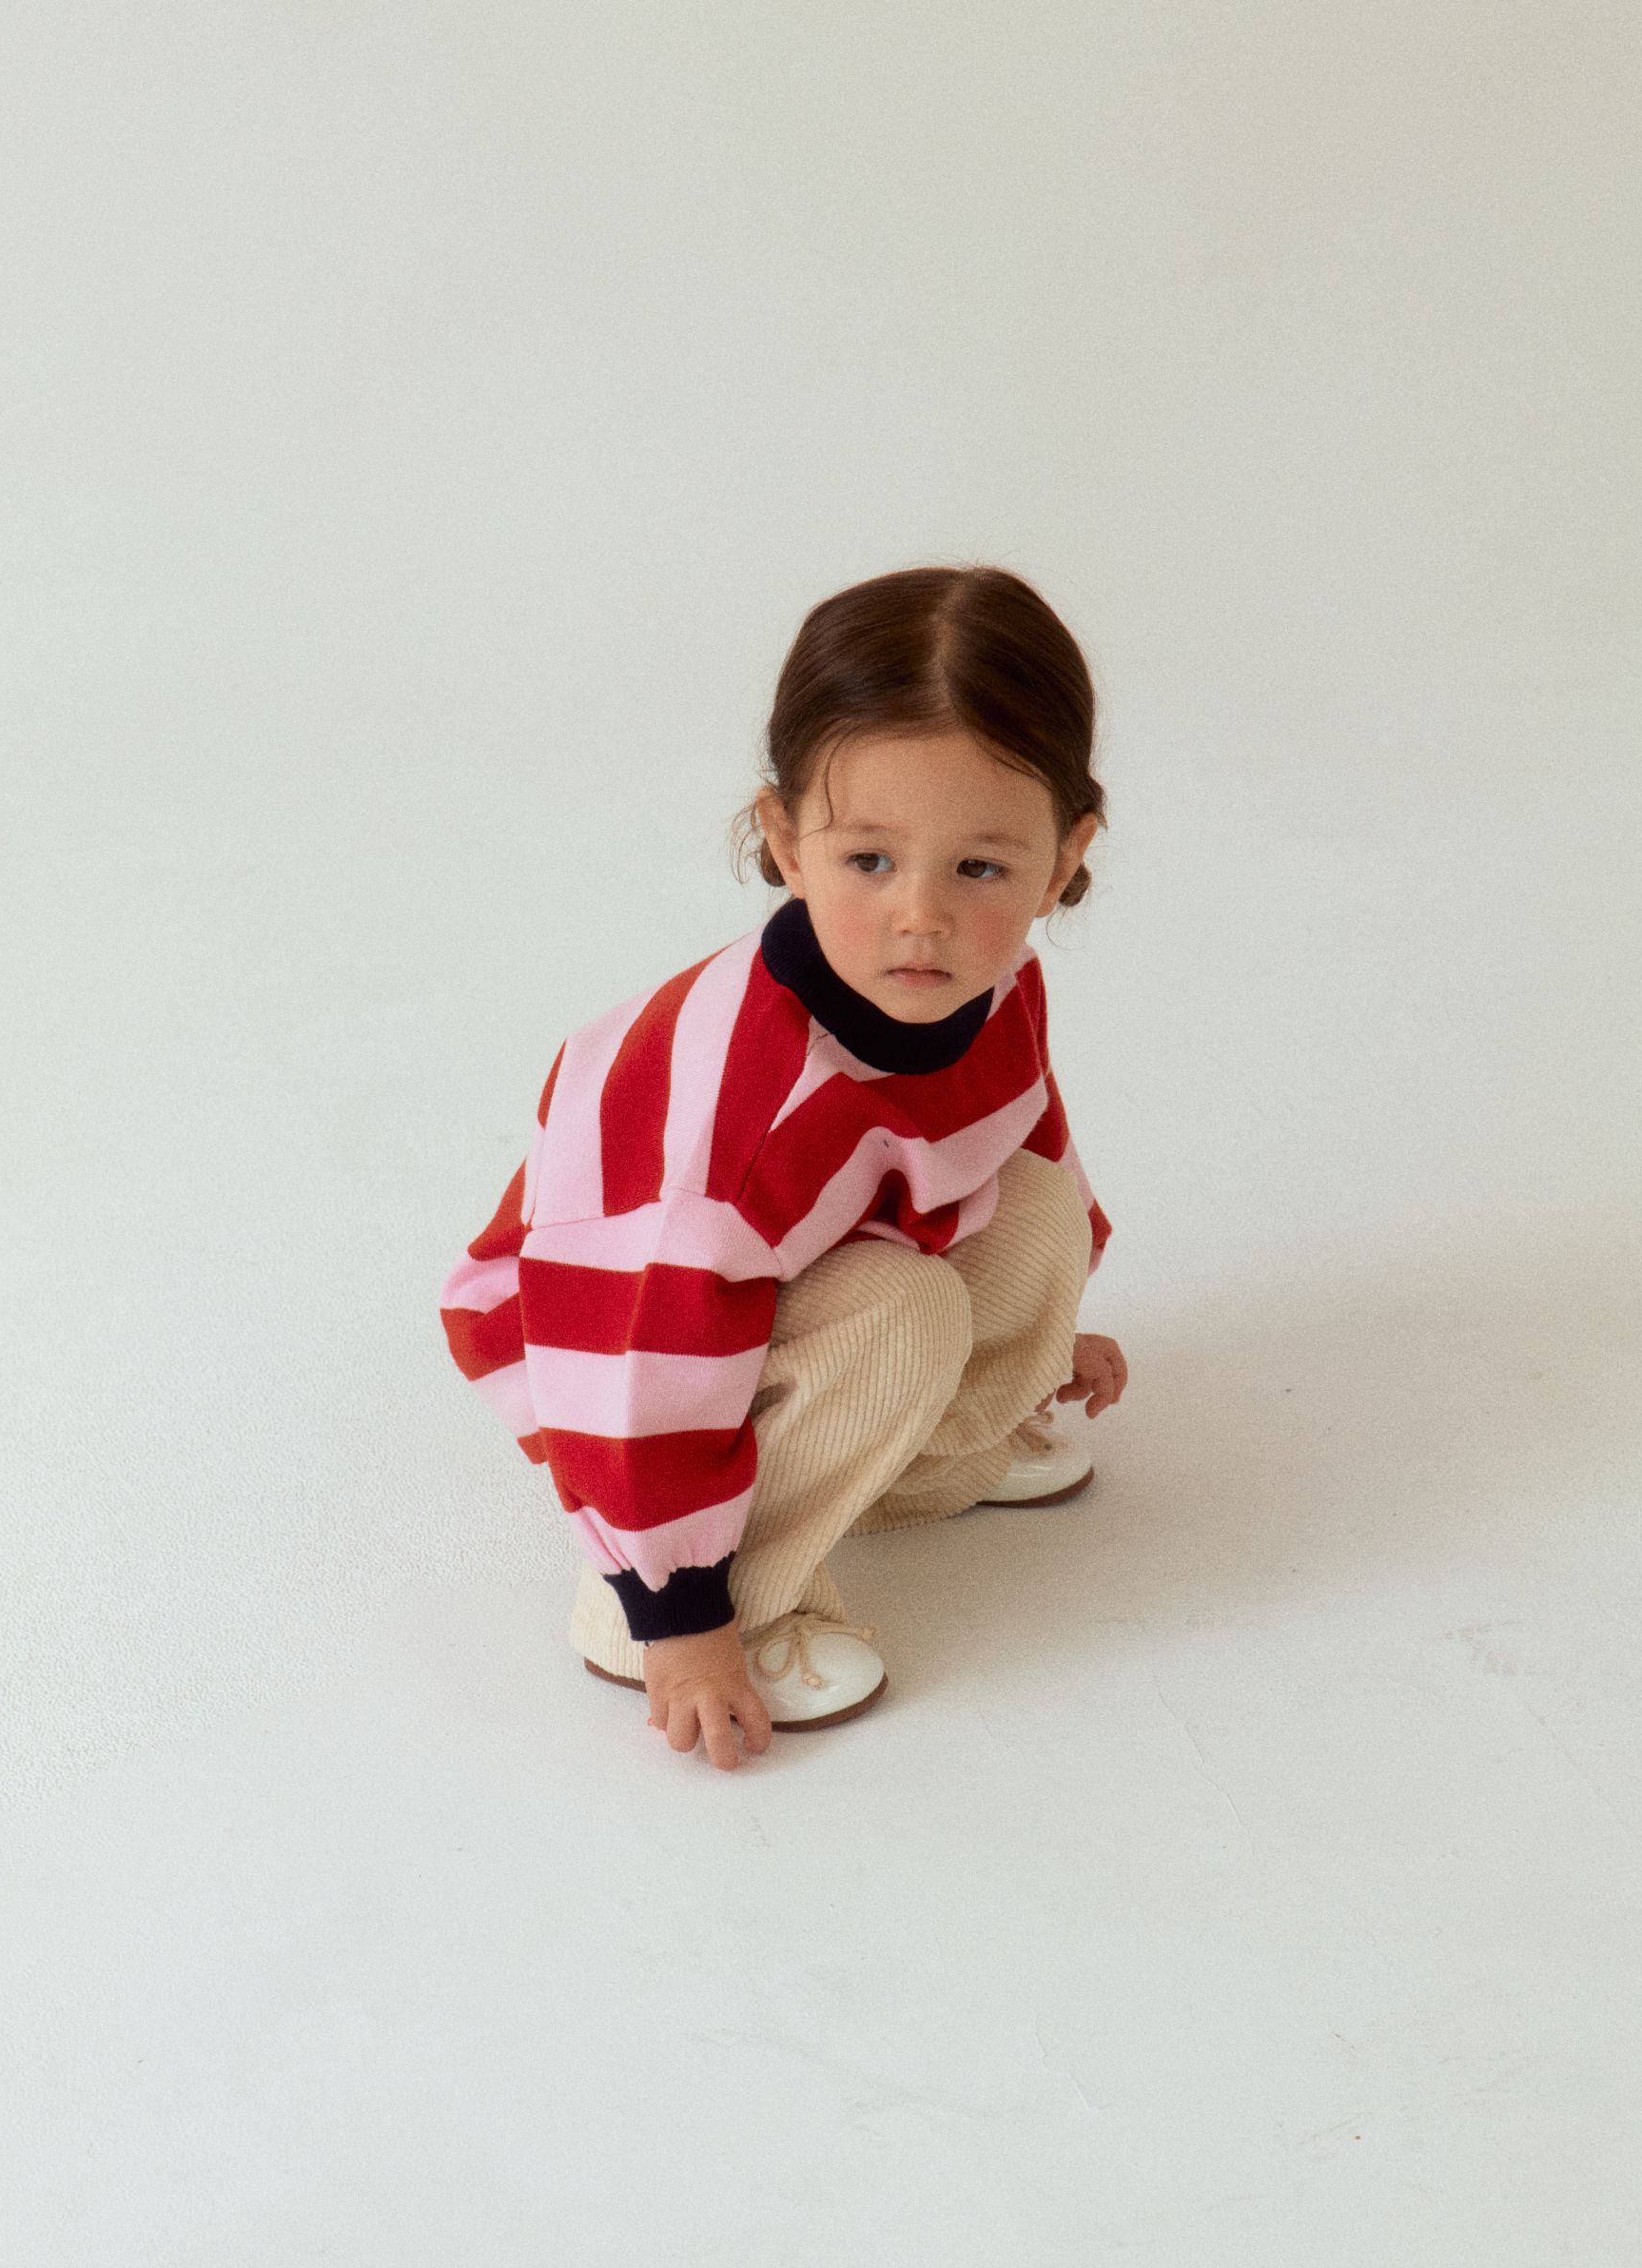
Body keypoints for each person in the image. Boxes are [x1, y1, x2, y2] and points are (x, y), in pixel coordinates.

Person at [440, 563, 1129, 1770]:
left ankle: (921, 1458)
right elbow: (639, 1356)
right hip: (609, 1350)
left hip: (779, 1284)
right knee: (904, 1310)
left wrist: (1048, 1329)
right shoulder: (740, 1112)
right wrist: (676, 1611)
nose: (923, 917)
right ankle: (705, 1598)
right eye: (870, 861)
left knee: (1034, 1205)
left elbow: (1018, 1131)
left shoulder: (991, 984)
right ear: (786, 841)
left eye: (979, 868)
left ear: (1063, 856)